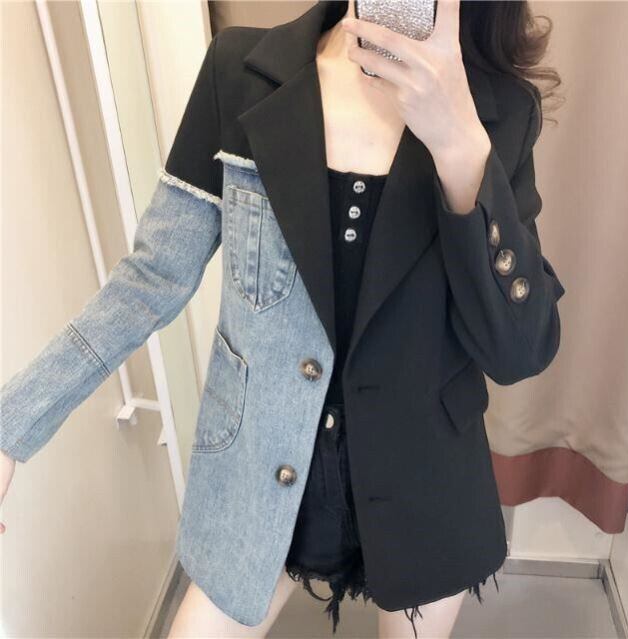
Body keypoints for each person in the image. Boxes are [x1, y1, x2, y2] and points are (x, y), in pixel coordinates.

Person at [1, 1, 565, 638]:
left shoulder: (500, 112)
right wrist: (10, 425)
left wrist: (459, 146)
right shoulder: (241, 72)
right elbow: (151, 278)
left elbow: (520, 351)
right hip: (257, 476)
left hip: (422, 482)